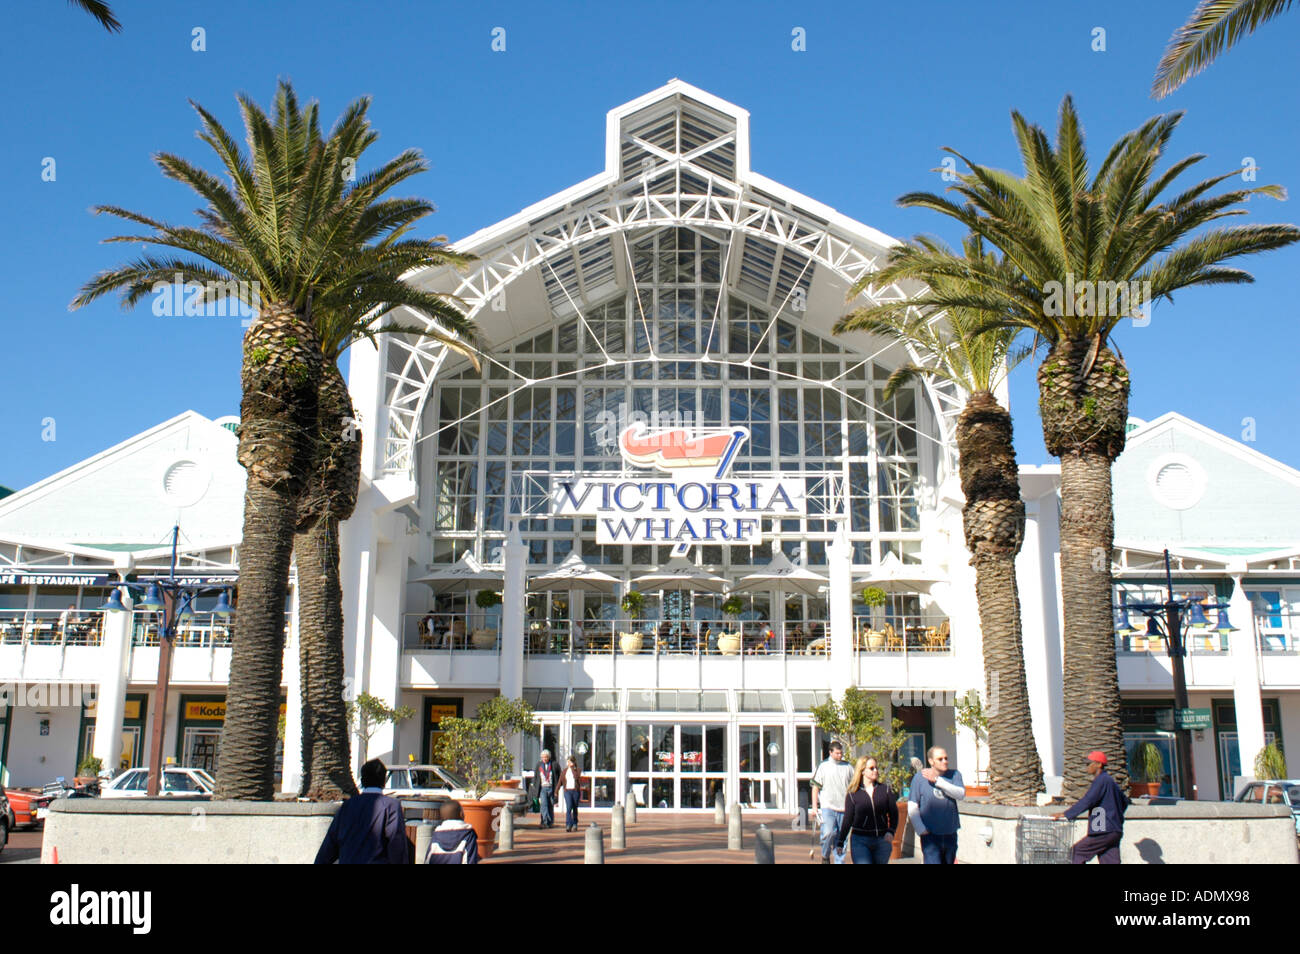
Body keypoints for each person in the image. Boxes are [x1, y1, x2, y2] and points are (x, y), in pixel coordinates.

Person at [314, 758, 410, 864]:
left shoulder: (347, 806)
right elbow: (396, 845)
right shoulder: (391, 806)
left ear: (363, 780)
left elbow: (330, 845)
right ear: (383, 781)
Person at [1054, 750, 1130, 864]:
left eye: (1089, 763)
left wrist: (1066, 814)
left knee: (1076, 853)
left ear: (1099, 764)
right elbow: (1124, 801)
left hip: (1103, 830)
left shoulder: (1101, 780)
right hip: (1114, 830)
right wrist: (1115, 817)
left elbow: (1088, 800)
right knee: (1110, 861)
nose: (1087, 767)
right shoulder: (1110, 781)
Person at [837, 756, 898, 864]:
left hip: (882, 840)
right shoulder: (853, 794)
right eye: (871, 768)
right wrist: (841, 841)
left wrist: (891, 831)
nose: (875, 770)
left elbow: (894, 813)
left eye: (876, 767)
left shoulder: (885, 790)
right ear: (862, 771)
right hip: (860, 840)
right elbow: (848, 819)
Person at [909, 746, 965, 864]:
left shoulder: (954, 775)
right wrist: (921, 829)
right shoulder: (920, 778)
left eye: (946, 758)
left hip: (950, 834)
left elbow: (960, 794)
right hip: (931, 836)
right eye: (940, 759)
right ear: (931, 761)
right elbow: (913, 805)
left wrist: (938, 781)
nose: (945, 761)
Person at [811, 741, 854, 864]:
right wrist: (814, 807)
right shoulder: (823, 766)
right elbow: (815, 787)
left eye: (841, 753)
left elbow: (855, 785)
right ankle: (825, 856)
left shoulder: (848, 767)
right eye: (837, 753)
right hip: (828, 807)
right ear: (830, 752)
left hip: (844, 808)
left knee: (842, 838)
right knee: (828, 833)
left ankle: (839, 861)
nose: (840, 755)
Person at [425, 799, 479, 864]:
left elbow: (428, 859)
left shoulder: (436, 836)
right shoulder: (468, 835)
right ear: (461, 814)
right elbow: (471, 860)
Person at [532, 749, 559, 828]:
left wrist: (557, 786)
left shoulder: (554, 764)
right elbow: (536, 776)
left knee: (550, 805)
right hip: (543, 788)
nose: (544, 759)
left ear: (549, 757)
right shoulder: (539, 765)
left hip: (551, 787)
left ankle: (550, 822)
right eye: (543, 757)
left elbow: (558, 775)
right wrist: (535, 786)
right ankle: (544, 821)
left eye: (546, 757)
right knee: (544, 805)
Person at [561, 754, 583, 832]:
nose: (568, 763)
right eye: (568, 762)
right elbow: (560, 781)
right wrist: (556, 791)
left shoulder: (578, 770)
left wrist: (573, 769)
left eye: (570, 762)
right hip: (567, 791)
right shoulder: (565, 771)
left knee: (575, 807)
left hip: (575, 791)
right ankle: (568, 824)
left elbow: (577, 778)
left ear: (573, 762)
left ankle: (575, 823)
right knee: (569, 807)